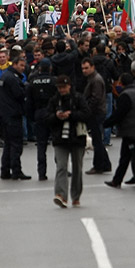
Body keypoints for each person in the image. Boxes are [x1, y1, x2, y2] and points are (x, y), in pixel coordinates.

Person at [47, 75, 91, 207]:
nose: (62, 90)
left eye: (64, 87)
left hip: (77, 137)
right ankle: (61, 195)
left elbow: (87, 114)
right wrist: (56, 116)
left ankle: (76, 196)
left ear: (69, 86)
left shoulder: (78, 98)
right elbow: (46, 117)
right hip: (60, 138)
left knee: (77, 168)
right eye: (59, 87)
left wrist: (71, 115)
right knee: (61, 167)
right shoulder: (54, 100)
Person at [0, 55, 31, 180]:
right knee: (16, 145)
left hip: (6, 114)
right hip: (13, 114)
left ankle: (5, 170)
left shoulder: (6, 76)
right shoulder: (12, 78)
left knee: (8, 145)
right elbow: (19, 94)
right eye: (21, 65)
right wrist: (26, 88)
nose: (23, 68)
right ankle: (16, 170)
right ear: (14, 64)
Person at [26, 59, 58, 180]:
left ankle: (41, 172)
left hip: (39, 113)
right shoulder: (54, 81)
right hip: (53, 114)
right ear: (50, 68)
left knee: (41, 145)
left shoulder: (32, 82)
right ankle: (61, 168)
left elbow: (29, 102)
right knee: (57, 143)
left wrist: (31, 117)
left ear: (39, 69)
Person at [80, 58, 112, 175]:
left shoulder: (96, 80)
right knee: (97, 139)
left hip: (96, 113)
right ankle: (106, 163)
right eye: (83, 68)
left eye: (86, 68)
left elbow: (96, 99)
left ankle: (99, 165)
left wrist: (86, 110)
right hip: (96, 112)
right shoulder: (92, 79)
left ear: (92, 67)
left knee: (97, 141)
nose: (84, 70)